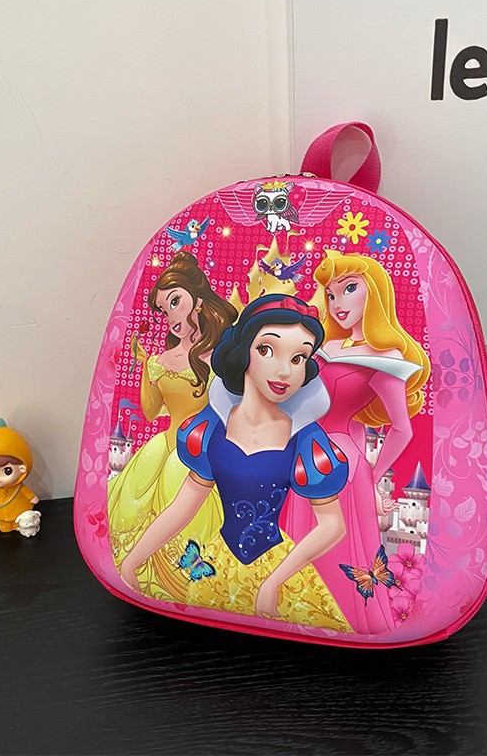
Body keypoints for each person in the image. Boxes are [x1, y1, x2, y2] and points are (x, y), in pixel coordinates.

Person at [119, 294, 352, 630]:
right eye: (266, 350)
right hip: (218, 562)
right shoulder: (212, 426)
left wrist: (273, 583)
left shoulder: (305, 438)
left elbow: (333, 525)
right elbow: (184, 506)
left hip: (276, 566)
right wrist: (134, 560)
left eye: (298, 357)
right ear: (243, 352)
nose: (284, 371)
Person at [281, 250, 430, 634]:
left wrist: (373, 478)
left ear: (375, 291)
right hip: (304, 457)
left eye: (349, 289)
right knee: (300, 545)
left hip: (343, 469)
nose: (338, 303)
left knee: (338, 556)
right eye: (331, 294)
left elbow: (403, 428)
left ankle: (347, 625)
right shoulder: (328, 345)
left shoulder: (386, 357)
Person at [108, 251, 237, 602]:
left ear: (198, 299)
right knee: (138, 497)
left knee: (181, 487)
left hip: (202, 449)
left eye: (175, 302)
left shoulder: (222, 356)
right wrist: (144, 368)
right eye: (164, 310)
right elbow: (150, 413)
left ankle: (188, 580)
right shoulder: (160, 361)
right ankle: (140, 571)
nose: (170, 316)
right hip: (164, 445)